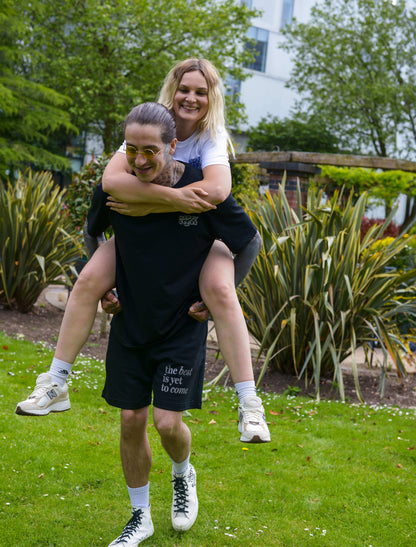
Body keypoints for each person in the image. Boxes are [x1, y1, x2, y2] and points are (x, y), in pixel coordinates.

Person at [15, 58, 270, 445]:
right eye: (184, 88)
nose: (191, 97)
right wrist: (167, 199)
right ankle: (56, 380)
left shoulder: (211, 136)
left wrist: (151, 202)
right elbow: (112, 181)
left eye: (201, 91)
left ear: (212, 97)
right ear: (172, 88)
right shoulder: (148, 125)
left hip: (199, 237)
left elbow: (216, 192)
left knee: (221, 291)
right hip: (144, 237)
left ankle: (249, 403)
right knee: (87, 280)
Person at [89, 102, 262, 545]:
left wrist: (220, 292)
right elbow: (92, 229)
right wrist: (100, 282)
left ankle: (183, 475)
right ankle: (139, 516)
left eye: (151, 150)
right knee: (130, 419)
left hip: (181, 323)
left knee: (167, 423)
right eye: (132, 149)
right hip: (131, 321)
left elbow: (247, 241)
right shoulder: (120, 186)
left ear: (172, 146)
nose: (141, 159)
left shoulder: (202, 190)